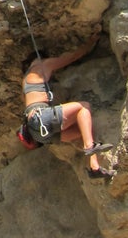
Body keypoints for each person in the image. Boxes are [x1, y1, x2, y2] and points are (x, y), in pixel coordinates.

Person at [21, 35, 115, 178]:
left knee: (83, 129)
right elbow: (70, 57)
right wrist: (90, 42)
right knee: (83, 106)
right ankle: (90, 148)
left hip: (39, 133)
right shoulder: (40, 66)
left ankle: (94, 167)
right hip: (42, 118)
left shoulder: (25, 82)